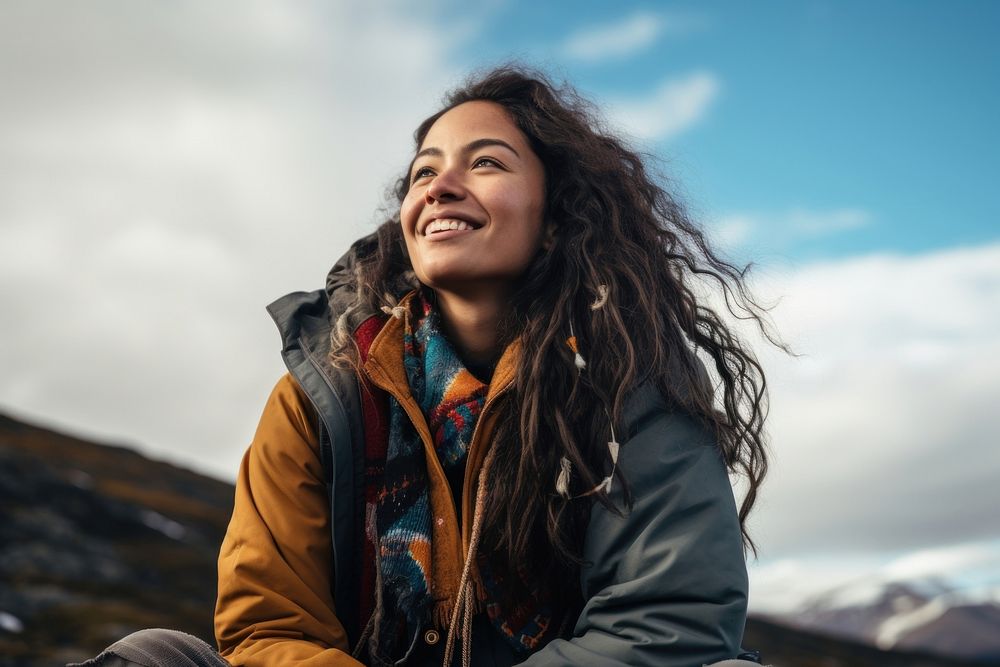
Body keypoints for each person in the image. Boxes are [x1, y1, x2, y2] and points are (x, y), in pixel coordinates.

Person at [73, 66, 773, 667]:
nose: (440, 186)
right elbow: (270, 623)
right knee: (151, 656)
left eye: (487, 162)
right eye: (424, 172)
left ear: (555, 216)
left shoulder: (630, 385)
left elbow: (666, 623)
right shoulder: (323, 399)